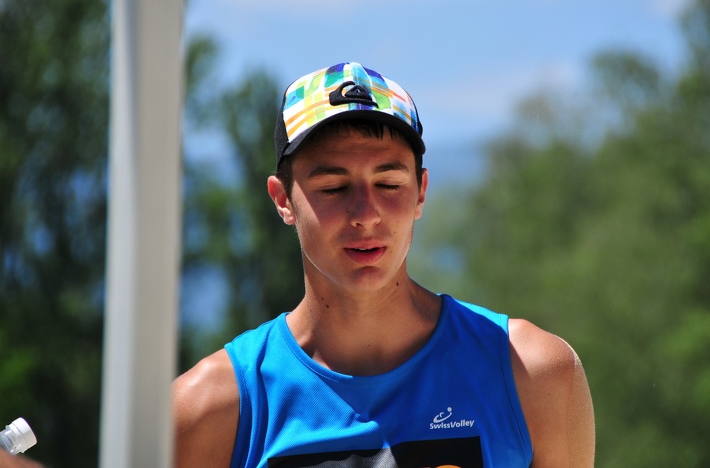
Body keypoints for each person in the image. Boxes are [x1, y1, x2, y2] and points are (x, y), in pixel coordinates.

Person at [172, 62, 595, 467]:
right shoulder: (208, 410)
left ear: (421, 192)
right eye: (334, 187)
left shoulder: (533, 374)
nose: (366, 213)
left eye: (389, 183)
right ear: (283, 200)